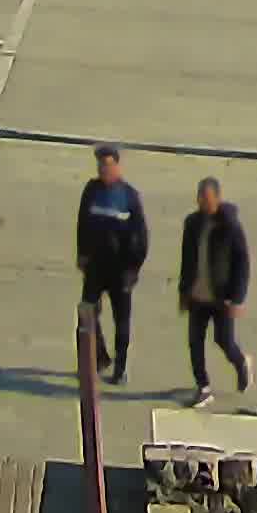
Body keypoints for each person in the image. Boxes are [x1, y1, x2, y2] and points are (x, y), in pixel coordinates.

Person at [75, 146, 149, 385]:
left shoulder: (129, 196)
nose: (103, 170)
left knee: (122, 321)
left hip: (120, 271)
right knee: (87, 314)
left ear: (117, 166)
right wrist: (82, 254)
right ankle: (98, 358)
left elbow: (141, 238)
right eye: (100, 166)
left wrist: (133, 270)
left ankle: (121, 367)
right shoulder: (91, 190)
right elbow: (82, 224)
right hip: (95, 267)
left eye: (107, 165)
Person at [177, 177, 252, 408]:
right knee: (194, 342)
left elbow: (242, 262)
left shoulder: (230, 225)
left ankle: (241, 363)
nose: (204, 203)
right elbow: (186, 260)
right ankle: (203, 387)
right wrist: (183, 291)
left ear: (218, 199)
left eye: (208, 199)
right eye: (201, 198)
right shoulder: (192, 223)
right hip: (197, 296)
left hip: (222, 297)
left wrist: (237, 298)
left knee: (224, 340)